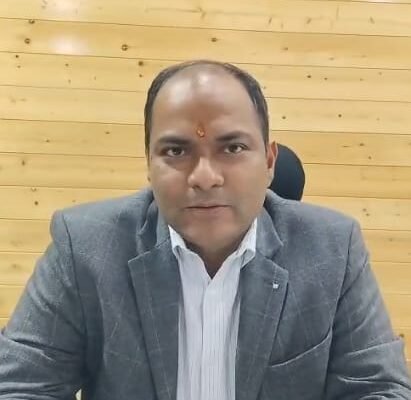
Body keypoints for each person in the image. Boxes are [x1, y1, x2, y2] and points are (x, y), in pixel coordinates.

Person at [0, 60, 410, 400]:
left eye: (233, 148)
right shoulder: (85, 247)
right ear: (149, 164)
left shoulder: (333, 250)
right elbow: (20, 386)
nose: (205, 177)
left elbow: (379, 388)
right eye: (176, 151)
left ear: (269, 162)